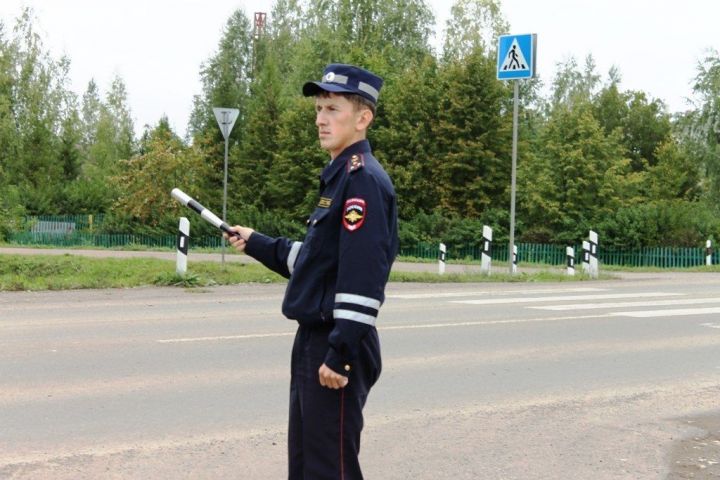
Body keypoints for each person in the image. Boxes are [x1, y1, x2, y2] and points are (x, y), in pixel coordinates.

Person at [224, 63, 399, 480]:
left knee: (329, 469)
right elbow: (320, 263)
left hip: (336, 343)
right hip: (316, 339)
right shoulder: (339, 178)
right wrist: (258, 243)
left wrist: (339, 354)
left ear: (362, 118)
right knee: (306, 464)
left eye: (333, 109)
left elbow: (362, 277)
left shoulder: (362, 181)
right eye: (319, 108)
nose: (321, 119)